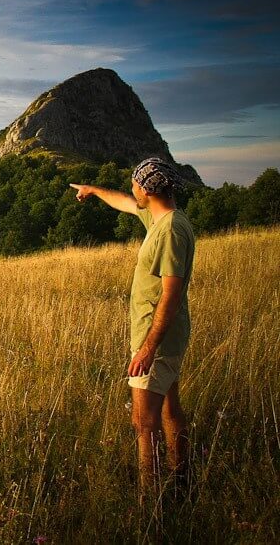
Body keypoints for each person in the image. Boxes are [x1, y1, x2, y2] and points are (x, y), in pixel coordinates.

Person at [69, 157, 195, 493]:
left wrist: (148, 348)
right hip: (165, 333)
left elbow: (171, 293)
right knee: (169, 407)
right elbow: (125, 203)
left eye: (136, 183)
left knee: (143, 422)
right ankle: (181, 481)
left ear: (149, 189)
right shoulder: (162, 217)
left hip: (156, 335)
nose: (132, 189)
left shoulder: (168, 231)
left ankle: (149, 502)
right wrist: (93, 190)